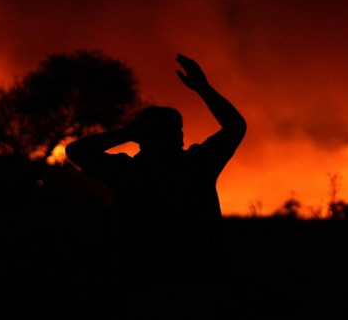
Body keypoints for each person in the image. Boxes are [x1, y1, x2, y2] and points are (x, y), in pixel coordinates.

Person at [66, 54, 246, 231]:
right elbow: (235, 127)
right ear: (180, 136)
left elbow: (77, 151)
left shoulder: (127, 172)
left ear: (140, 136)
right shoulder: (197, 164)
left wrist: (127, 133)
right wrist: (203, 88)